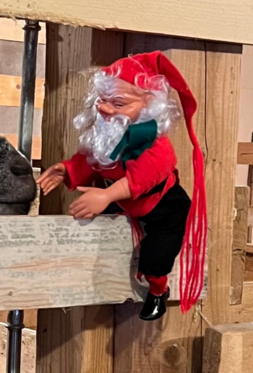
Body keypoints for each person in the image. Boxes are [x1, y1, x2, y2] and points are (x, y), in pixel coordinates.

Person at [36, 51, 207, 320]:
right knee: (98, 233)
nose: (105, 109)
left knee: (156, 257)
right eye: (102, 100)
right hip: (122, 201)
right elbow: (90, 160)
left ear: (150, 105)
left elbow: (139, 180)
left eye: (118, 103)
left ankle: (157, 292)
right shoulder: (108, 133)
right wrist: (66, 170)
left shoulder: (156, 145)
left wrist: (106, 195)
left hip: (161, 204)